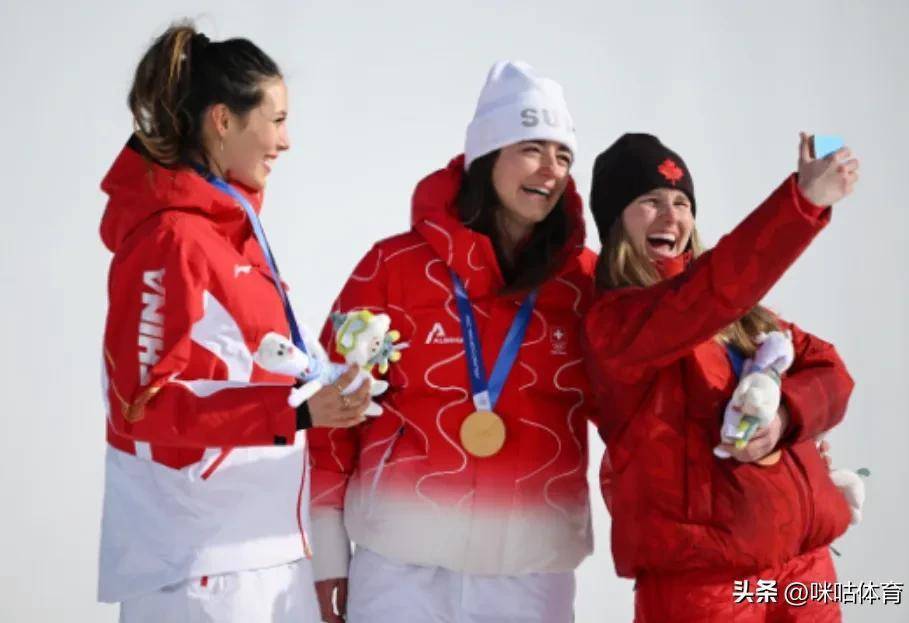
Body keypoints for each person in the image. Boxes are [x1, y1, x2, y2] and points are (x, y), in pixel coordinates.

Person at [308, 61, 597, 623]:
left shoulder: (583, 282)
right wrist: (327, 554)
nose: (551, 169)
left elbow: (638, 403)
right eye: (532, 149)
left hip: (532, 577)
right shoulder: (392, 266)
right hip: (400, 570)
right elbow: (331, 410)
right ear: (487, 155)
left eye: (564, 155)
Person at [98, 22, 367, 622]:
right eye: (277, 121)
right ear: (223, 120)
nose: (286, 141)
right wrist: (297, 413)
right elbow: (139, 408)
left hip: (269, 553)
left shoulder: (232, 232)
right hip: (198, 566)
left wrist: (333, 383)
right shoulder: (171, 237)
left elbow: (251, 364)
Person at [584, 132, 859, 621]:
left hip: (805, 571)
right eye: (650, 201)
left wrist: (785, 416)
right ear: (615, 221)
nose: (672, 217)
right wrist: (801, 204)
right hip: (707, 587)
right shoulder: (617, 326)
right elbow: (707, 294)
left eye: (681, 203)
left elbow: (830, 370)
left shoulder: (740, 315)